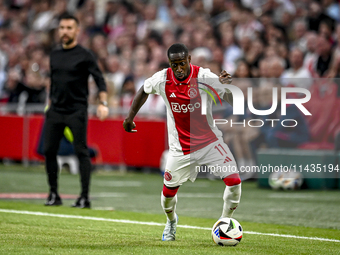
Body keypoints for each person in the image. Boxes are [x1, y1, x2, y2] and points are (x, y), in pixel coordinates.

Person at [123, 43, 242, 241]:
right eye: (174, 64)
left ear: (189, 61)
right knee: (167, 196)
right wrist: (129, 118)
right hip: (180, 149)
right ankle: (171, 222)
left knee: (234, 182)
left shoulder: (204, 77)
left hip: (210, 143)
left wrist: (228, 86)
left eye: (182, 64)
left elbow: (234, 99)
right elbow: (143, 90)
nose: (178, 69)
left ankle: (224, 223)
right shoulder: (162, 78)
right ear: (170, 63)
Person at [44, 13, 109, 208]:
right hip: (55, 110)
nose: (65, 31)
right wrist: (49, 104)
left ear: (77, 31)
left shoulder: (85, 55)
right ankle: (54, 194)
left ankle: (84, 197)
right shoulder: (54, 54)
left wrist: (102, 104)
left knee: (81, 151)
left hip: (76, 111)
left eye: (69, 28)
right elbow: (54, 82)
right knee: (49, 151)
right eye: (62, 28)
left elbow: (100, 80)